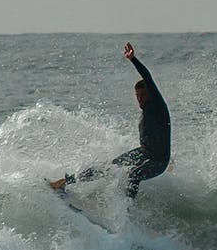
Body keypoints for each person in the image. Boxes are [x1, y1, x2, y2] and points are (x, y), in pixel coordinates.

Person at [50, 41, 171, 198]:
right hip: (144, 153)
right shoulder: (145, 111)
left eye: (143, 95)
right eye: (137, 96)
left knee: (134, 175)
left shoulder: (157, 105)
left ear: (150, 94)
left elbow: (147, 77)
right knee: (108, 167)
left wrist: (133, 59)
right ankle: (65, 182)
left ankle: (128, 211)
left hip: (159, 161)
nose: (140, 99)